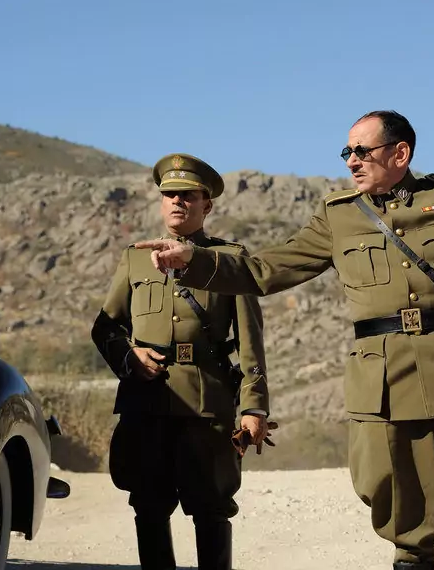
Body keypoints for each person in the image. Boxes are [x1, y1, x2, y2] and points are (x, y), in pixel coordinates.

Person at [135, 111, 434, 570]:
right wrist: (194, 259)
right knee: (408, 524)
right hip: (382, 387)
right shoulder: (338, 215)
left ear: (400, 153)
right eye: (347, 151)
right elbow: (265, 270)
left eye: (362, 151)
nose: (351, 161)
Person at [91, 153, 272, 570]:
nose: (177, 201)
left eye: (188, 195)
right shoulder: (135, 258)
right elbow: (105, 327)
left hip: (206, 404)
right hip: (146, 402)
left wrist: (254, 407)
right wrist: (128, 356)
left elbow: (251, 341)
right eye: (170, 194)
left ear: (207, 205)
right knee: (149, 505)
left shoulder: (230, 259)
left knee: (212, 507)